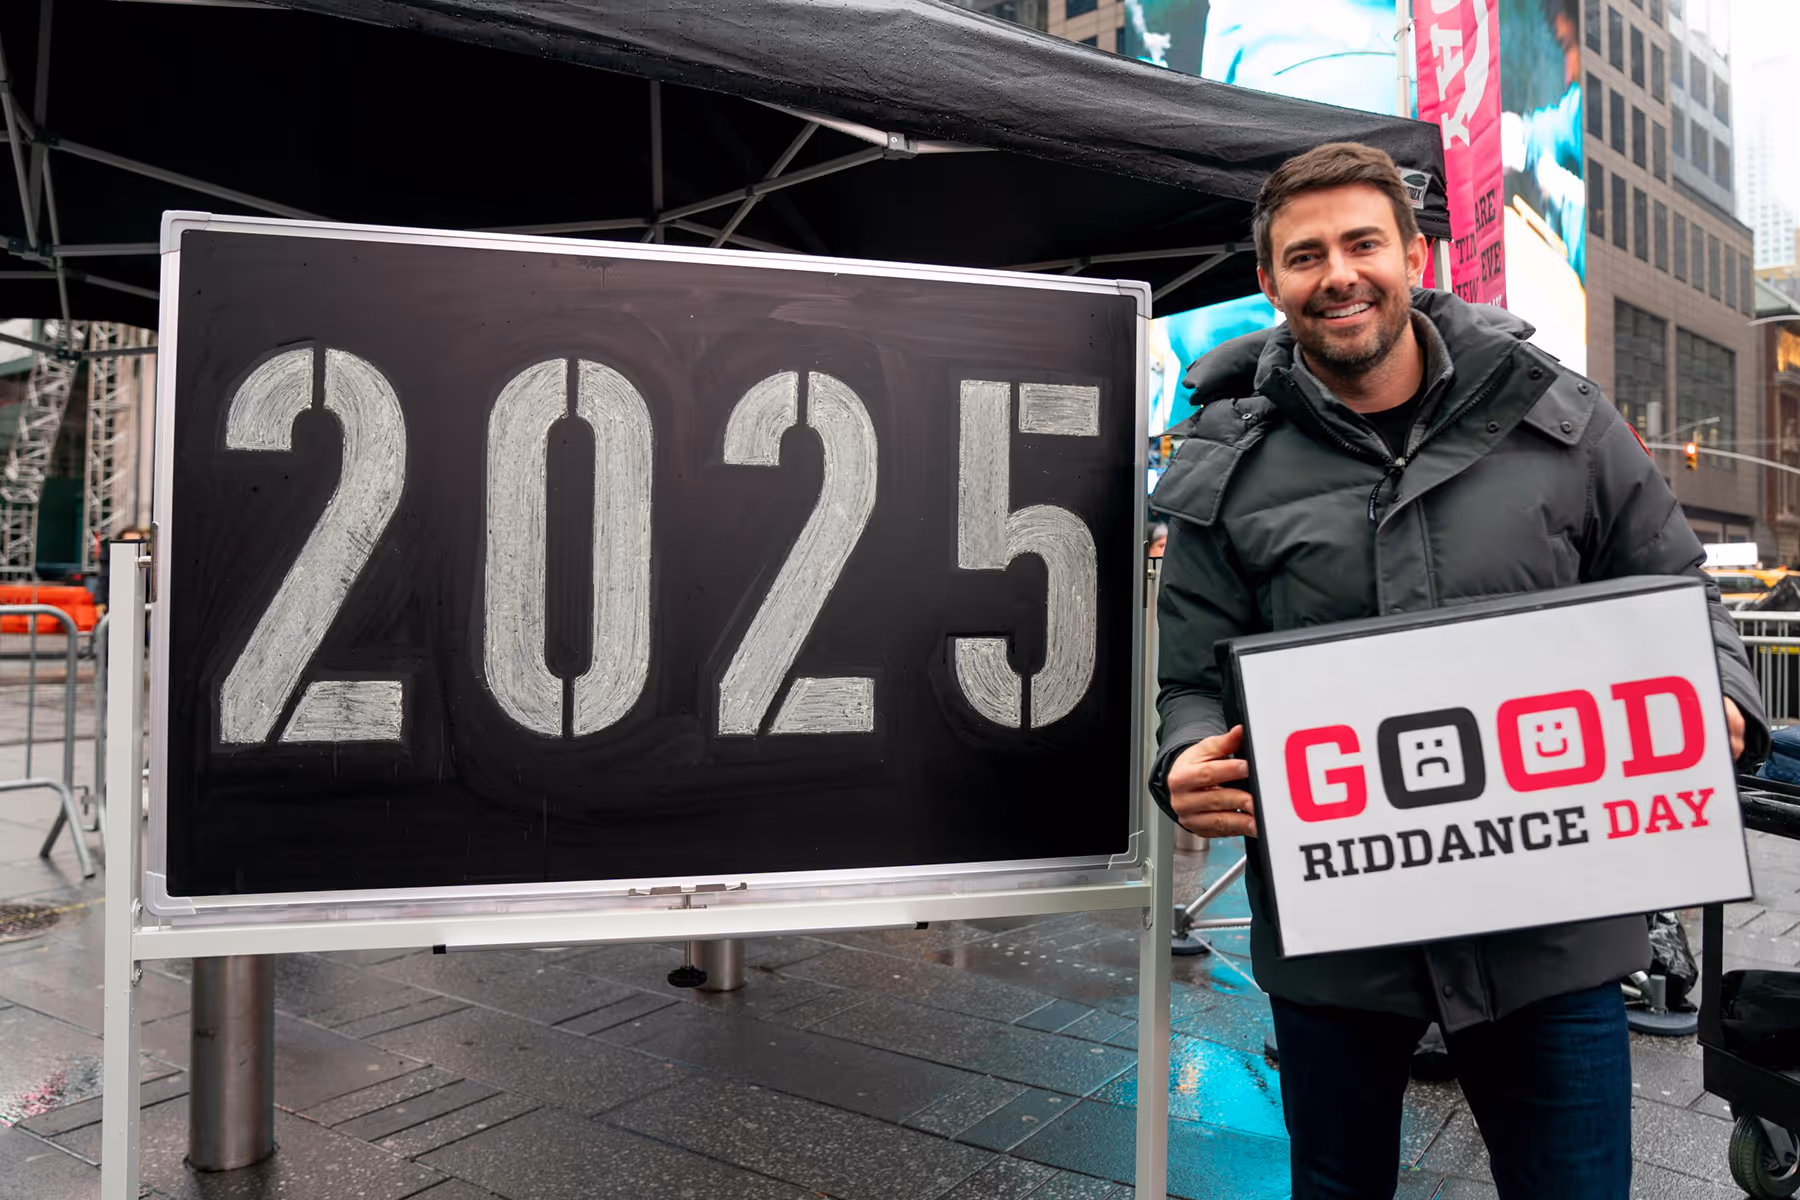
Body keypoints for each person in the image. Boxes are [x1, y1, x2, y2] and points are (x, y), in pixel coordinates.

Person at [1150, 141, 1768, 1199]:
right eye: (1306, 255)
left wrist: (1723, 695)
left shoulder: (1561, 418)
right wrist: (1184, 760)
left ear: (1415, 256)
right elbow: (1188, 681)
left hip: (1553, 932)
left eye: (1362, 244)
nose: (1338, 274)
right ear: (1270, 282)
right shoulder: (1225, 464)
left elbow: (1677, 585)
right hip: (1337, 946)